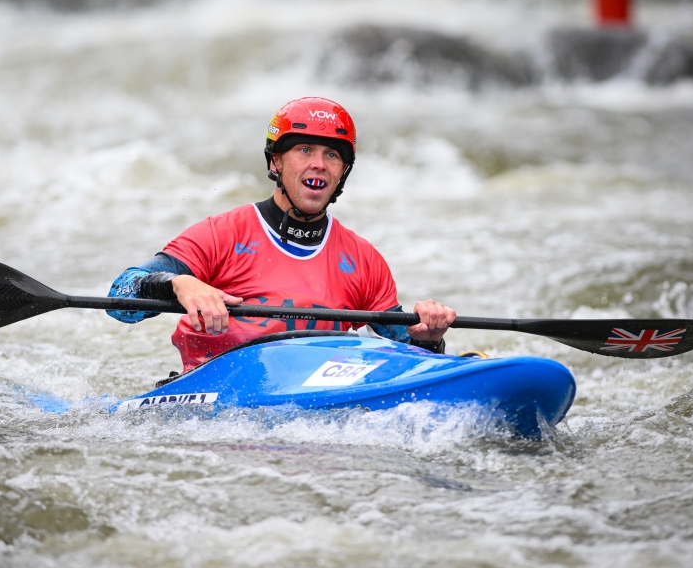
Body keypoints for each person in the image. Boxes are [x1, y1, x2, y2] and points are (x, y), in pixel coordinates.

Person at [107, 97, 455, 373]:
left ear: (342, 173)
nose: (318, 164)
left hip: (316, 395)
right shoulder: (222, 234)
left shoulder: (363, 259)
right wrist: (179, 284)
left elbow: (409, 354)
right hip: (215, 397)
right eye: (305, 150)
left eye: (331, 155)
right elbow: (121, 296)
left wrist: (430, 337)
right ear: (276, 163)